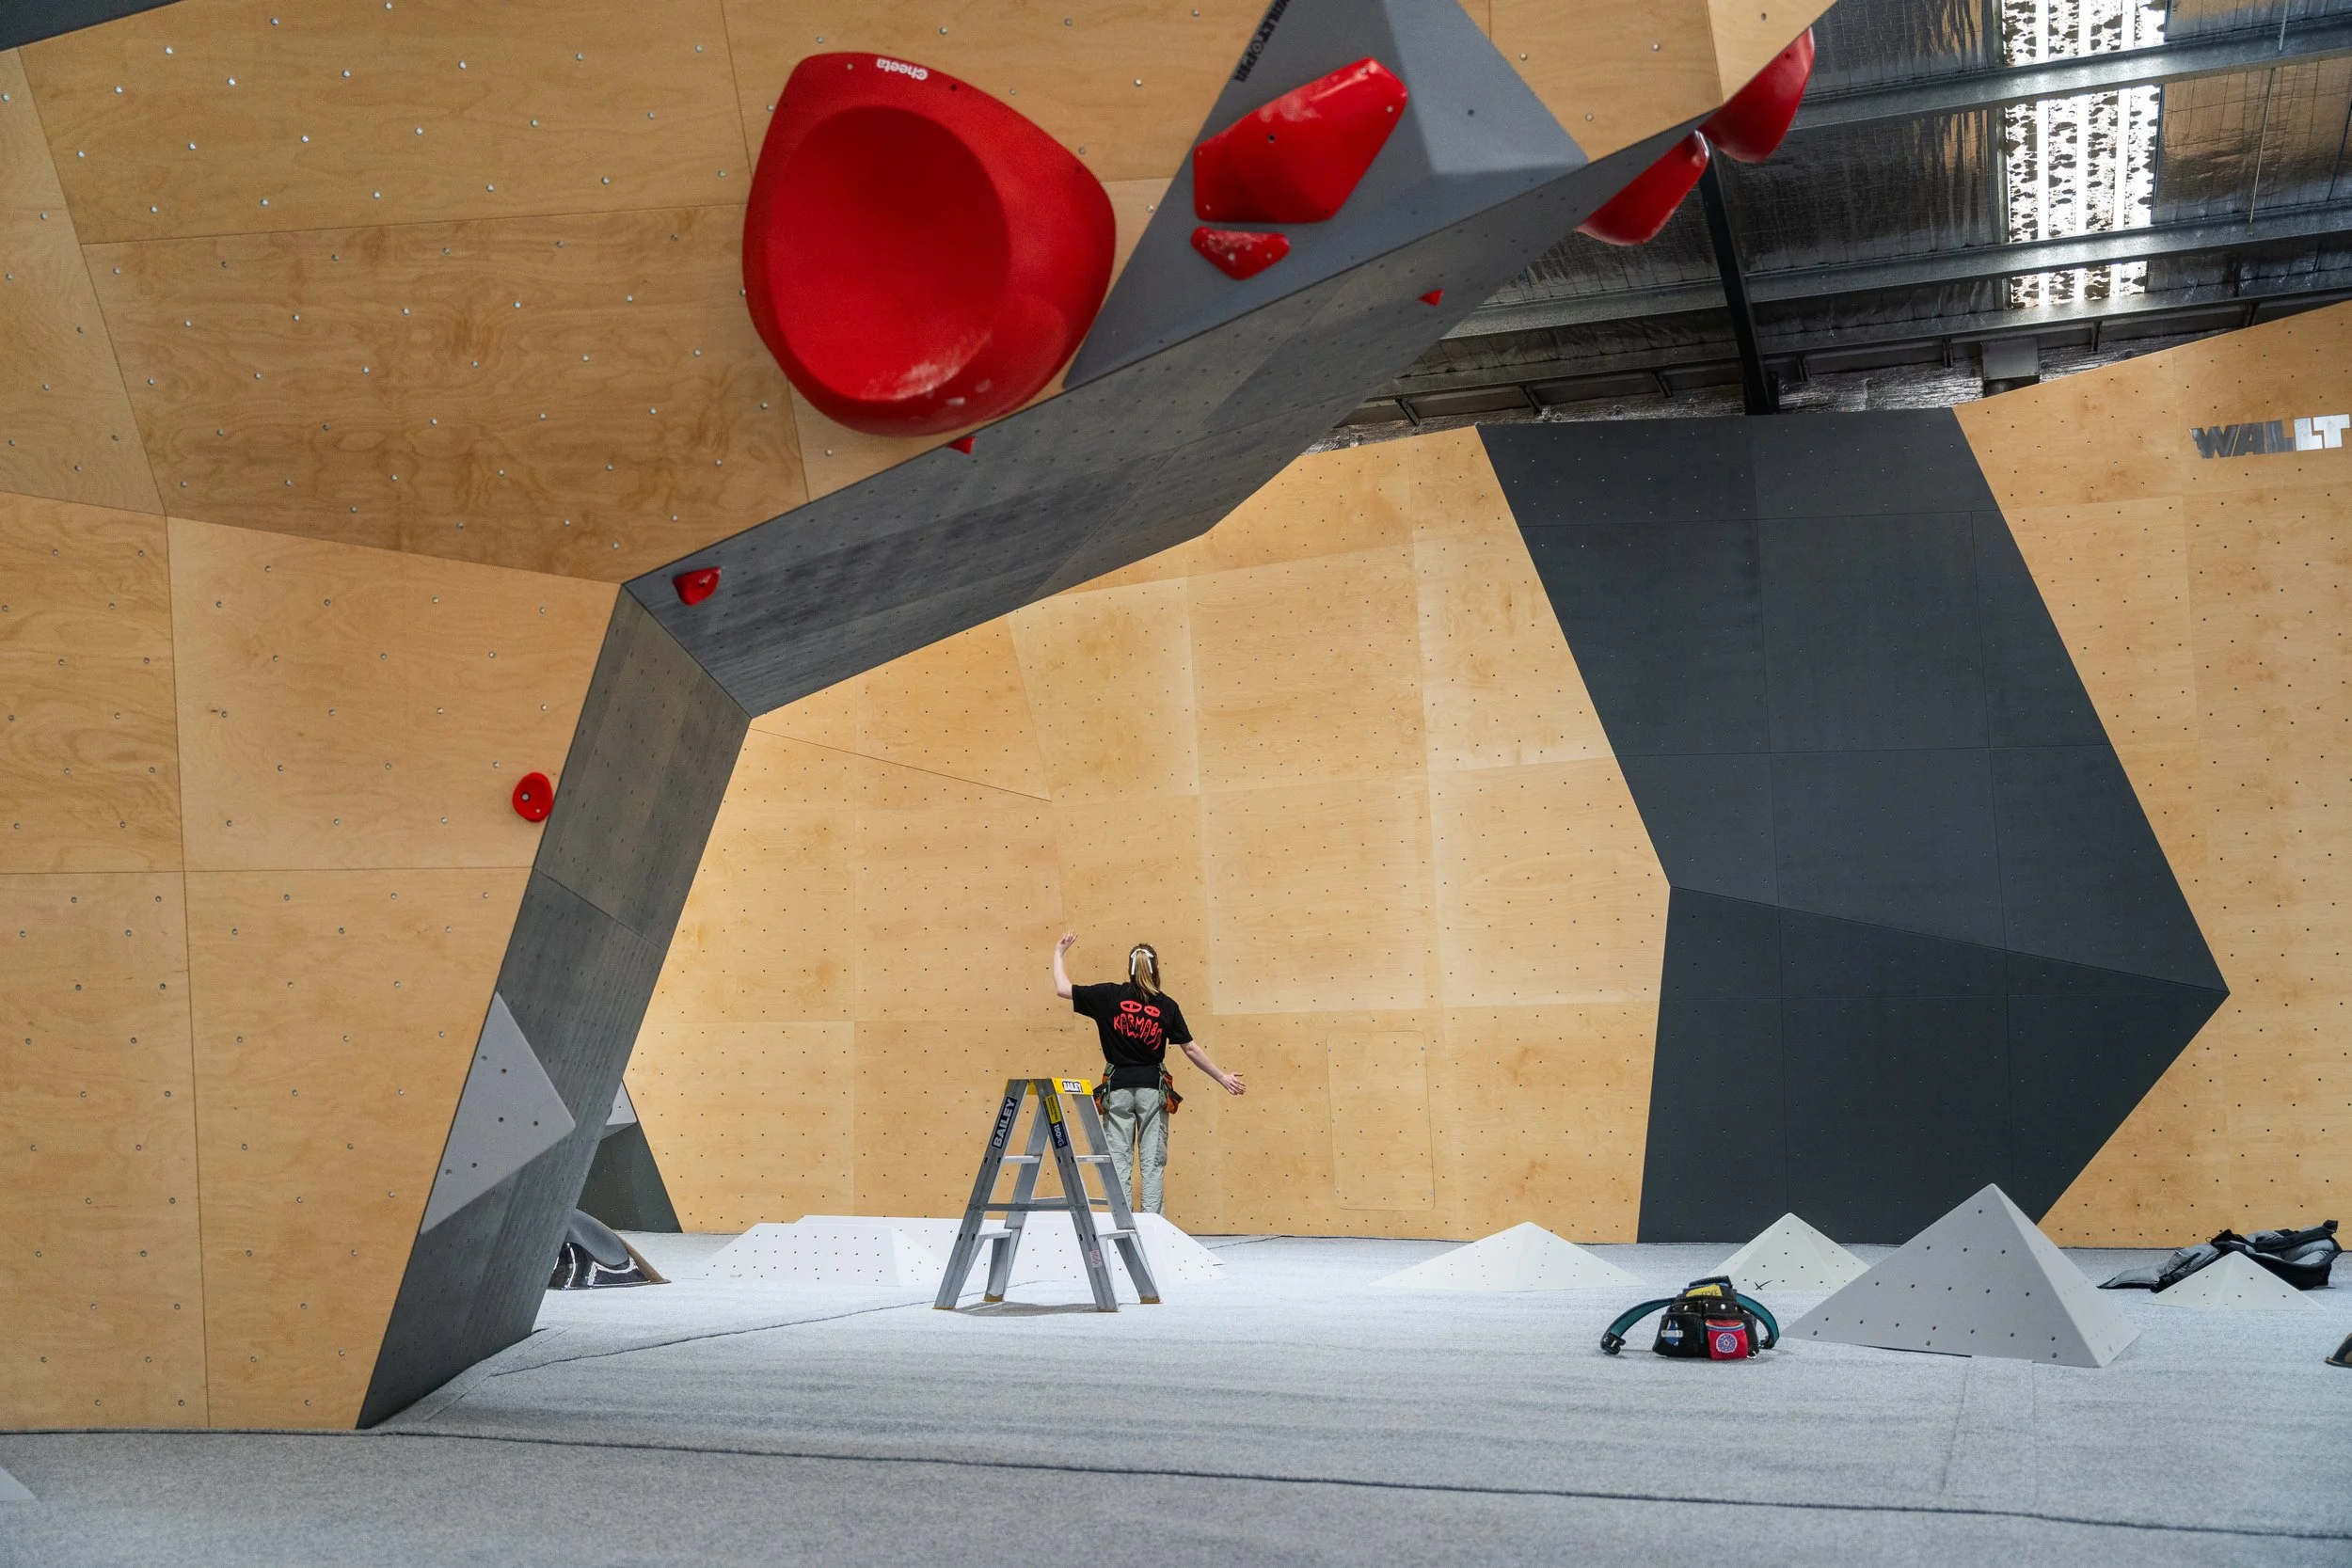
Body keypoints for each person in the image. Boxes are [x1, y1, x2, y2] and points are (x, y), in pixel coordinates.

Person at [1053, 931, 1244, 1214]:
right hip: (1152, 1091)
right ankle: (1153, 1229)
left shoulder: (1107, 996)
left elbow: (1063, 988)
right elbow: (1190, 1049)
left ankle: (1123, 1230)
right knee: (1152, 1162)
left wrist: (1058, 953)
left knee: (1119, 1161)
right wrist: (1221, 1077)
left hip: (1116, 1089)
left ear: (1129, 970)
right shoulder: (1167, 1006)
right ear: (1156, 971)